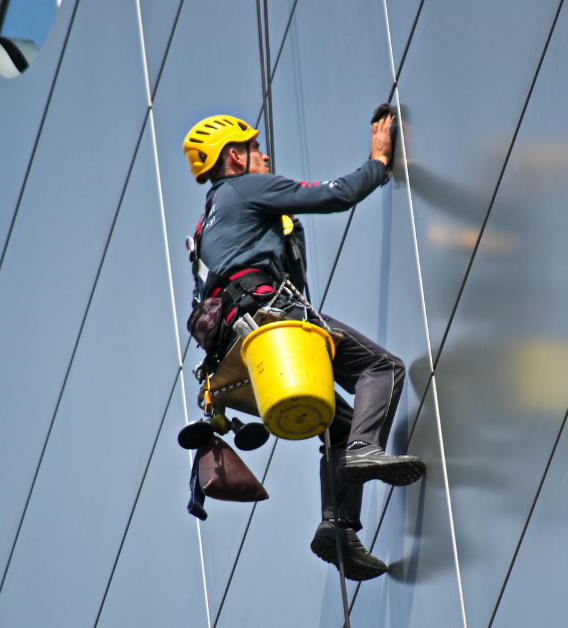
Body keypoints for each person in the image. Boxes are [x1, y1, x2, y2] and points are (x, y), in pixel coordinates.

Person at [180, 111, 425, 581]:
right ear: (234, 156)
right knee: (383, 369)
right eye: (255, 148)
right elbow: (334, 195)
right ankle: (364, 450)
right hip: (274, 320)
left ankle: (338, 529)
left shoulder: (208, 222)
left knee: (340, 421)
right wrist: (377, 162)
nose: (265, 155)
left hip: (240, 350)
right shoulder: (244, 189)